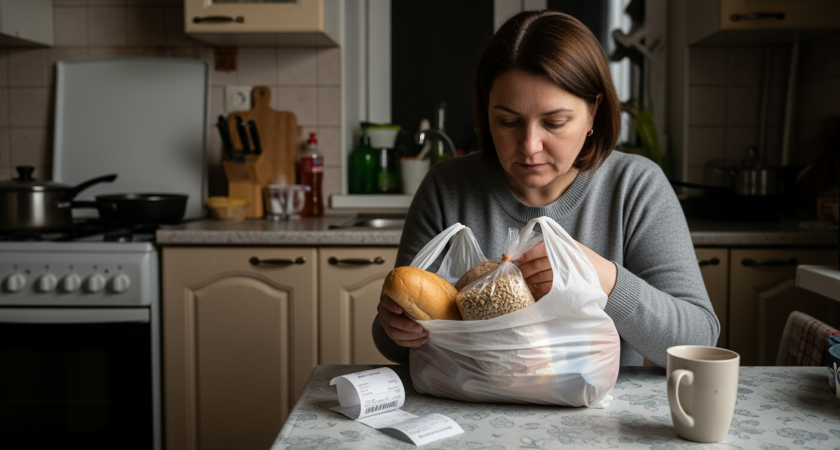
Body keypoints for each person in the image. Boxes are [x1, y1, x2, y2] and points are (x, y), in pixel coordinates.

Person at [373, 10, 719, 368]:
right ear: (486, 110)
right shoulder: (446, 187)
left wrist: (602, 278)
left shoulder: (635, 187)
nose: (530, 146)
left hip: (600, 402)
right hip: (466, 397)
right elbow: (394, 344)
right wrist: (395, 326)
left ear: (593, 113)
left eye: (554, 123)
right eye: (508, 121)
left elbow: (698, 339)